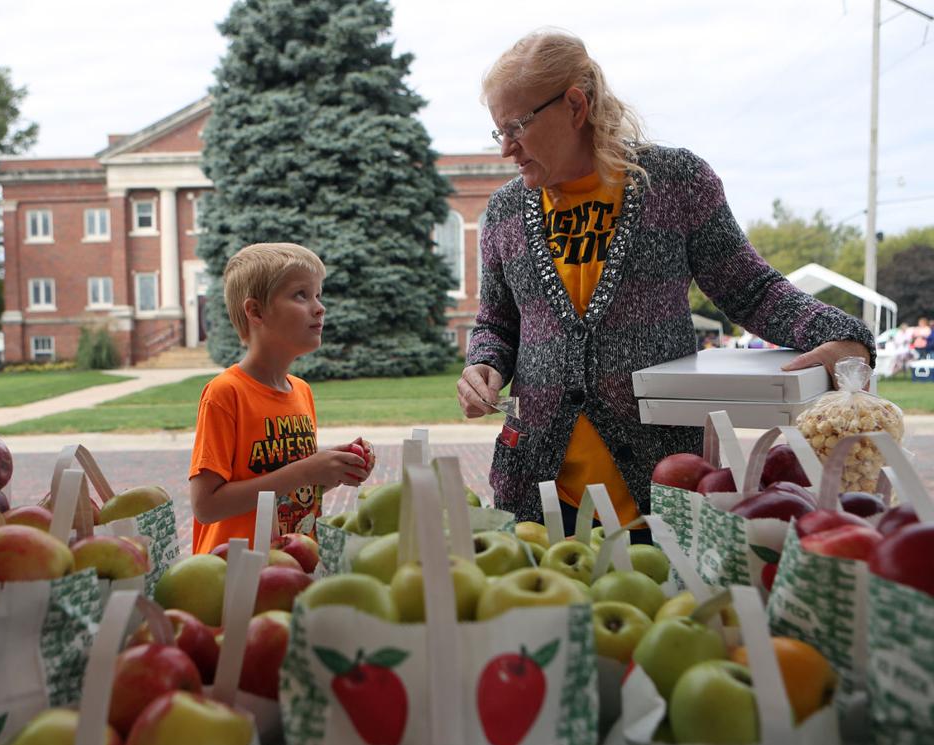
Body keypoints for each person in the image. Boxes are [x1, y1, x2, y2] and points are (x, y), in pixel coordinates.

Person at [457, 30, 875, 533]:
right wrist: (484, 363)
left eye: (516, 126)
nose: (506, 148)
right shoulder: (505, 210)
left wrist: (843, 335)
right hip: (536, 490)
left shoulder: (676, 182)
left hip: (662, 484)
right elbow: (497, 322)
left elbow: (752, 289)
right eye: (498, 132)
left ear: (575, 105)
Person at [190, 243, 374, 554]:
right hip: (234, 572)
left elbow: (290, 492)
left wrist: (332, 472)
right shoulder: (225, 393)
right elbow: (206, 506)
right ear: (256, 311)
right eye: (301, 295)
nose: (319, 307)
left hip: (293, 563)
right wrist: (306, 470)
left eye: (318, 295)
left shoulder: (301, 391)